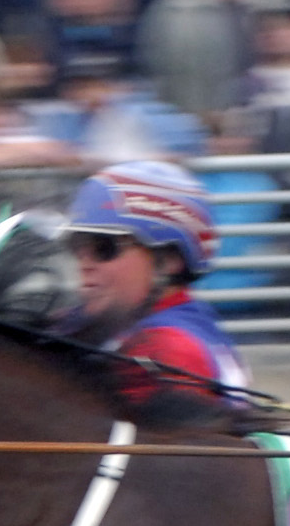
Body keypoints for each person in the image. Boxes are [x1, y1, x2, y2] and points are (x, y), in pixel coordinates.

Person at [60, 158, 248, 387]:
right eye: (78, 245)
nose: (85, 262)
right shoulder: (125, 319)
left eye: (103, 247)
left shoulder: (167, 349)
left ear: (168, 260)